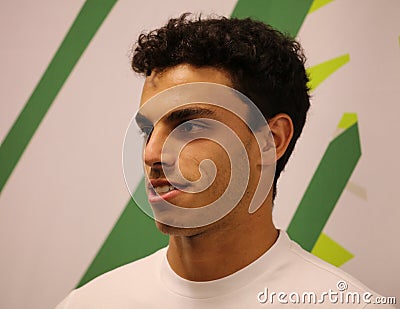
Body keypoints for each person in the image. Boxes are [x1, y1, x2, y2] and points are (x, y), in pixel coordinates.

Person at [56, 13, 391, 308]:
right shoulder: (90, 303)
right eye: (147, 131)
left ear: (271, 140)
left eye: (190, 126)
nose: (151, 154)